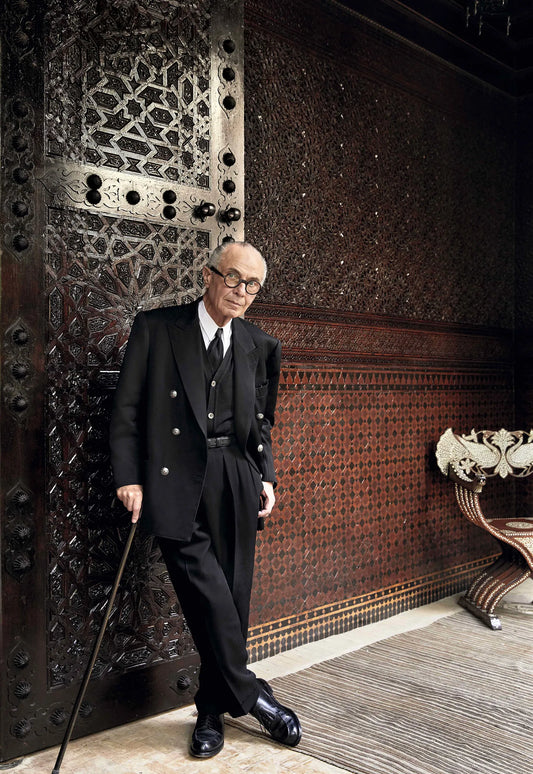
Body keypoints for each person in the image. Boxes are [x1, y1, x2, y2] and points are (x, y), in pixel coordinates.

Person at [109, 240, 302, 758]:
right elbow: (126, 410)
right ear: (209, 275)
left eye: (254, 285)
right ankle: (255, 698)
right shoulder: (157, 329)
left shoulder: (260, 344)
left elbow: (261, 422)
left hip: (236, 477)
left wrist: (266, 476)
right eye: (234, 278)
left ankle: (211, 711)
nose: (242, 292)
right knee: (209, 595)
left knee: (233, 600)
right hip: (175, 481)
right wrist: (129, 477)